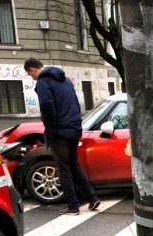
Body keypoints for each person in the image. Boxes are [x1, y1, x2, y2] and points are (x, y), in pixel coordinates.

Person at [24, 57, 100, 215]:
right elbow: (75, 103)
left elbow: (47, 106)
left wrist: (50, 130)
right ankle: (92, 198)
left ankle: (73, 206)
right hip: (74, 128)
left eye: (30, 74)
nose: (31, 77)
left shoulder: (43, 82)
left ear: (32, 70)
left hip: (60, 132)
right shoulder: (65, 80)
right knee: (74, 165)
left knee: (63, 169)